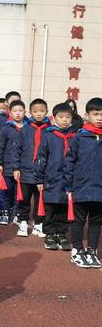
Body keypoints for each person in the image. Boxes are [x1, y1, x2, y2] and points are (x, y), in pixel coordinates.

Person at [64, 97, 102, 268]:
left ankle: (91, 250)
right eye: (96, 114)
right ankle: (77, 250)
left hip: (99, 189)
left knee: (96, 221)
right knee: (79, 221)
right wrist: (68, 184)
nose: (99, 117)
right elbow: (69, 161)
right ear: (87, 115)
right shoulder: (79, 137)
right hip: (81, 187)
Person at [34, 103, 75, 251]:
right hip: (51, 179)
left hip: (68, 180)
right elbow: (41, 158)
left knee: (64, 208)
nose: (64, 120)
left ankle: (61, 233)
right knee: (50, 208)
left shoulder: (75, 137)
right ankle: (49, 234)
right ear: (54, 118)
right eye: (61, 117)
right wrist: (39, 179)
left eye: (68, 117)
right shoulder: (49, 136)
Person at [13, 99, 51, 237]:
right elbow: (16, 149)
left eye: (41, 111)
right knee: (24, 199)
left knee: (40, 199)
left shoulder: (50, 130)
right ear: (30, 112)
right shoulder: (25, 129)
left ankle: (38, 223)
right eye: (35, 111)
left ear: (47, 111)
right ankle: (23, 222)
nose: (39, 114)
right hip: (26, 170)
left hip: (43, 172)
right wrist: (16, 167)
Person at [0, 100, 27, 225]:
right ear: (10, 113)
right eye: (15, 111)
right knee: (5, 191)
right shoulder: (6, 129)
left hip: (22, 168)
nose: (18, 113)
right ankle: (4, 212)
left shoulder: (28, 128)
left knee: (18, 193)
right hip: (7, 166)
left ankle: (16, 213)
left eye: (20, 111)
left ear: (25, 112)